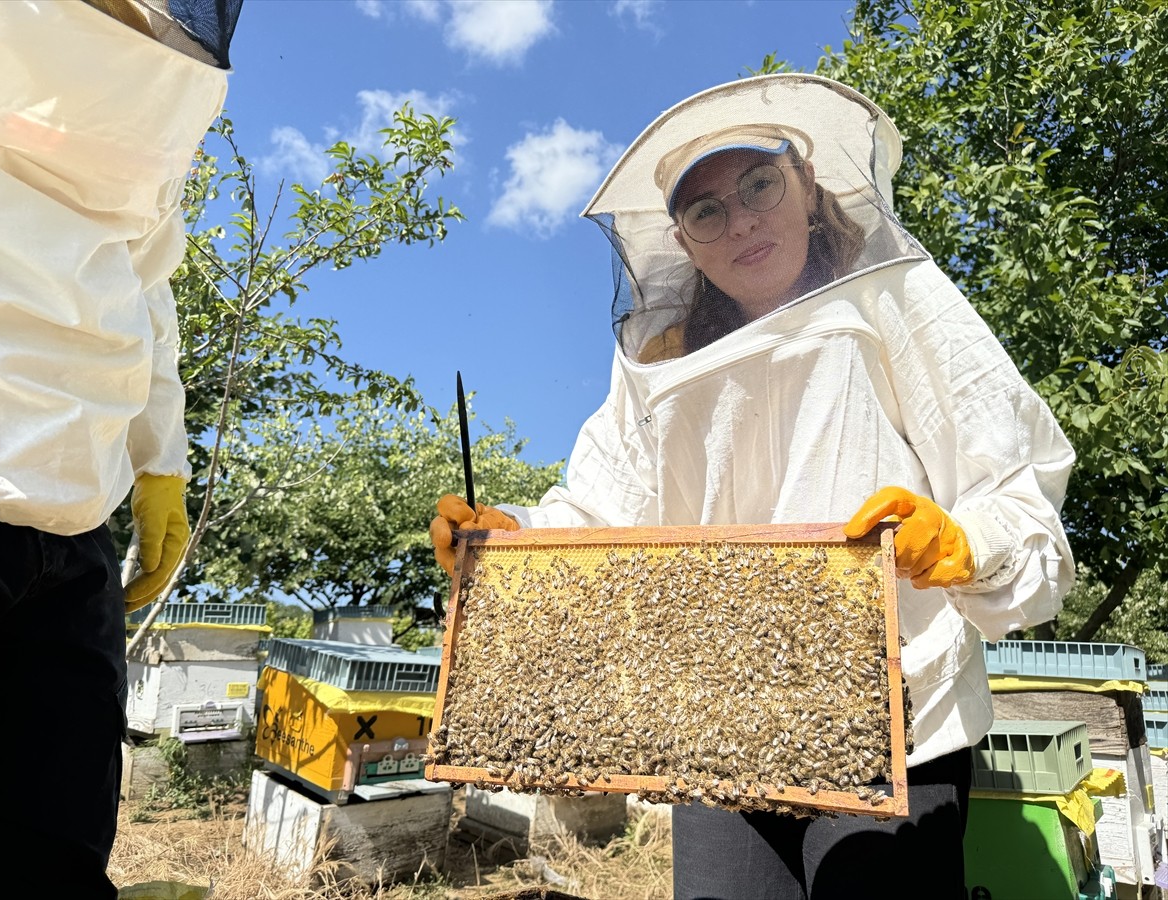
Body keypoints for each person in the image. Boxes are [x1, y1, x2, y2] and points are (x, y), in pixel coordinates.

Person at [430, 74, 1076, 898]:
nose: (740, 220)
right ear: (682, 241)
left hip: (897, 719)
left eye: (759, 185)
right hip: (724, 722)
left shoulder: (897, 298)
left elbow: (1016, 481)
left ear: (807, 187)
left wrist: (959, 544)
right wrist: (512, 544)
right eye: (706, 211)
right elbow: (599, 513)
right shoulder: (659, 362)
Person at [0, 1, 242, 894]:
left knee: (53, 851)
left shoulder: (158, 74)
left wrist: (161, 458)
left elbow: (144, 281)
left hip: (76, 519)